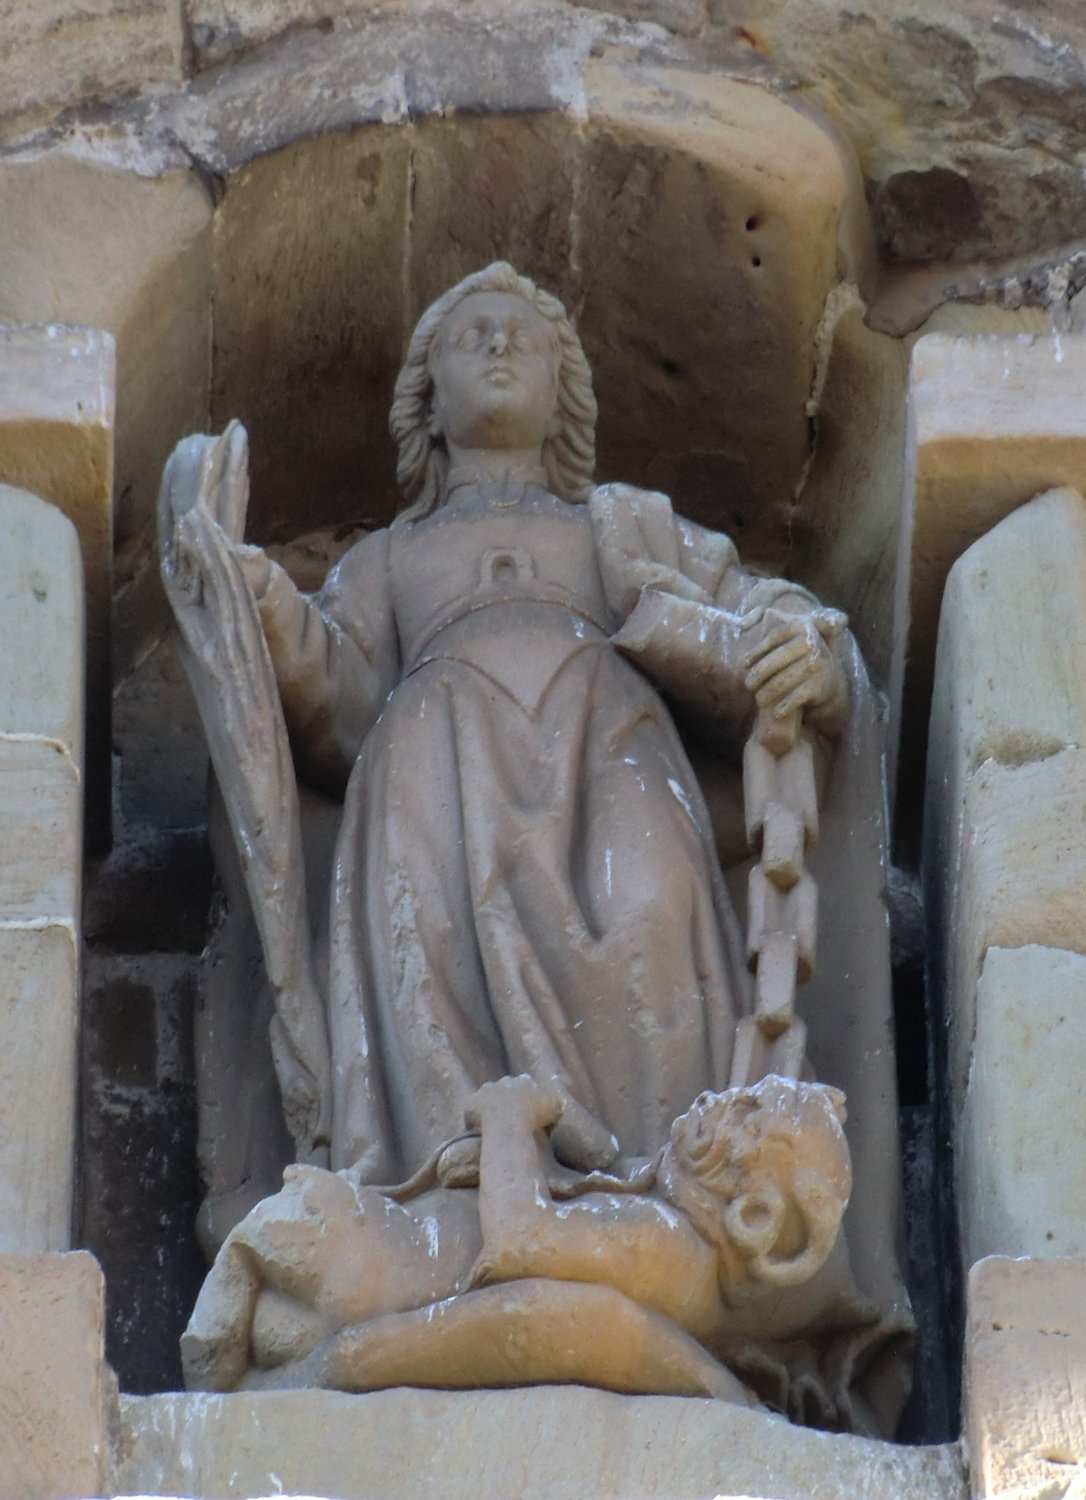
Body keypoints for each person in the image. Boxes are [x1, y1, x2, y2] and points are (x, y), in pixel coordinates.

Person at [210, 261, 849, 1187]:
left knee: (652, 908)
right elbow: (336, 699)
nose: (501, 344)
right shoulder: (390, 557)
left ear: (563, 397)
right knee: (422, 930)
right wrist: (255, 593)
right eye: (474, 336)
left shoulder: (626, 527)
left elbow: (761, 610)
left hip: (609, 744)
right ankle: (453, 1174)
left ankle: (666, 1176)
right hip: (436, 757)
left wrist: (808, 657)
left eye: (526, 337)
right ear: (427, 407)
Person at [181, 1073, 855, 1397]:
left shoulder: (665, 1242)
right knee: (277, 1301)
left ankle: (231, 1329)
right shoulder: (658, 1215)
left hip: (383, 1275)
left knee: (291, 1231)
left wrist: (510, 1117)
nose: (718, 1100)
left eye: (746, 1115)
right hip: (374, 1279)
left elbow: (522, 1241)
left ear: (755, 1217)